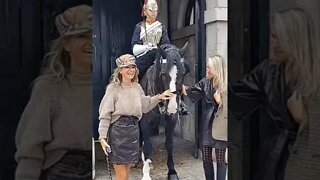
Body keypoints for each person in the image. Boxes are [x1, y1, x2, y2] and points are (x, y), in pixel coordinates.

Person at [229, 8, 320, 180]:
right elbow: (235, 98)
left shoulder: (316, 77)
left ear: (294, 39)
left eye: (278, 37)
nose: (273, 44)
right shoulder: (268, 71)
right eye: (273, 36)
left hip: (305, 162)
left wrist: (303, 119)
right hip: (272, 158)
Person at [15, 5, 93, 180]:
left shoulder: (110, 84)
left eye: (94, 35)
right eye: (82, 36)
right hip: (66, 172)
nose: (91, 42)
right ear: (66, 43)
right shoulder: (50, 88)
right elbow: (30, 149)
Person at [98, 54, 173, 180]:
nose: (130, 70)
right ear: (120, 70)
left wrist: (159, 97)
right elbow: (105, 115)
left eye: (133, 67)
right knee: (121, 176)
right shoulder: (113, 89)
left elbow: (145, 105)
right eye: (127, 67)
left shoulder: (137, 87)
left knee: (127, 174)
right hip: (118, 133)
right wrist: (102, 137)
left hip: (133, 132)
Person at [182, 55, 228, 180]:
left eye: (210, 68)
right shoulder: (205, 82)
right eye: (207, 67)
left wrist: (220, 102)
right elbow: (191, 91)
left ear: (217, 69)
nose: (207, 70)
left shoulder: (226, 84)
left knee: (220, 159)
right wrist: (180, 86)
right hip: (206, 122)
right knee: (206, 157)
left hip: (220, 124)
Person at [131, 0, 170, 79]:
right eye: (150, 10)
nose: (153, 13)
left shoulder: (162, 27)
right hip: (144, 55)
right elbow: (135, 47)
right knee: (134, 74)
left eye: (155, 11)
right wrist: (146, 47)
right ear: (145, 11)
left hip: (158, 55)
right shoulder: (139, 27)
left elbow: (166, 44)